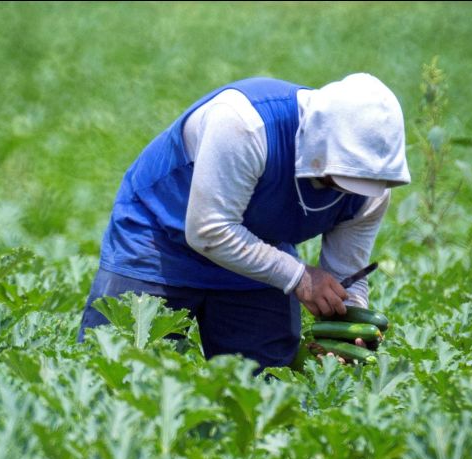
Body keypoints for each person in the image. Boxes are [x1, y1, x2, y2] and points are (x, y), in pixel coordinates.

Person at [77, 73, 411, 370]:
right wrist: (299, 277)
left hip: (256, 259)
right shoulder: (245, 125)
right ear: (316, 143)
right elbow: (210, 230)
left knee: (265, 392)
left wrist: (348, 325)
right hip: (160, 241)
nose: (346, 190)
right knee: (121, 371)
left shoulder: (372, 190)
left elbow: (345, 275)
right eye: (337, 178)